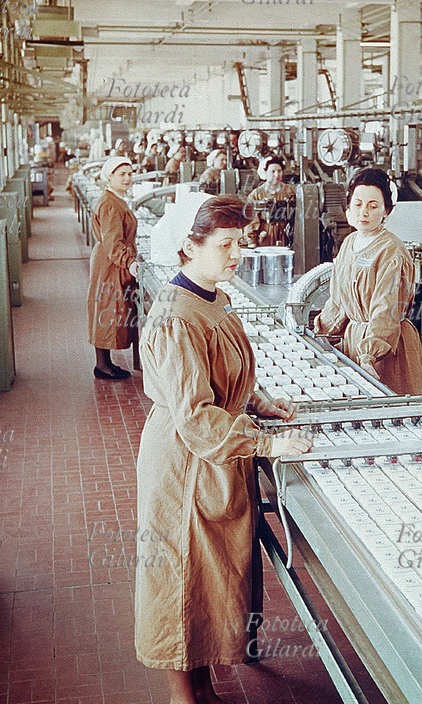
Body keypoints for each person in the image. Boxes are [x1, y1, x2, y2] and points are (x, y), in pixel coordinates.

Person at [135, 194, 312, 704]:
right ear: (189, 247)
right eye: (227, 243)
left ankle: (204, 685)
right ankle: (181, 695)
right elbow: (195, 415)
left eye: (242, 241)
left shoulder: (213, 296)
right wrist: (267, 442)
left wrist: (260, 402)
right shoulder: (176, 315)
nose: (239, 253)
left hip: (215, 456)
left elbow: (221, 378)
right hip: (187, 465)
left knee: (208, 582)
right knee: (180, 576)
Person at [314, 167, 422, 395]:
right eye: (358, 204)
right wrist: (318, 334)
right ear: (348, 208)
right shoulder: (349, 243)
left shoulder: (392, 251)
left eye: (373, 206)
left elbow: (387, 310)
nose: (364, 212)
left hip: (387, 347)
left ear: (386, 211)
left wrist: (370, 355)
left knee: (391, 417)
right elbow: (338, 302)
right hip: (355, 344)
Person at [87, 155, 139, 380]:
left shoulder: (116, 198)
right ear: (110, 177)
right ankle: (102, 366)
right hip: (110, 263)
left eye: (130, 173)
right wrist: (129, 262)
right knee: (107, 308)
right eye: (122, 174)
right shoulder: (110, 204)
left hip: (112, 260)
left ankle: (106, 362)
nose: (128, 178)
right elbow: (113, 242)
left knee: (110, 308)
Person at [246, 155, 294, 247]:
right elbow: (251, 219)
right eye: (273, 171)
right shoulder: (257, 194)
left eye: (279, 171)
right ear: (265, 173)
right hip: (265, 236)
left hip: (286, 235)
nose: (276, 175)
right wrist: (252, 240)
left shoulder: (290, 191)